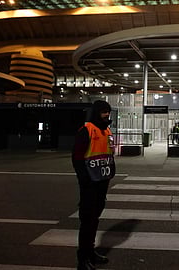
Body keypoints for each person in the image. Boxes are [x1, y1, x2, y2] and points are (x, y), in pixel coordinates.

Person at [72, 100, 116, 270]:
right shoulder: (86, 130)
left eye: (108, 112)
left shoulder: (107, 131)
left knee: (94, 219)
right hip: (89, 184)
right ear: (96, 112)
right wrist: (85, 179)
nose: (107, 115)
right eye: (104, 112)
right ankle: (82, 259)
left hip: (101, 183)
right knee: (87, 220)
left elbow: (107, 154)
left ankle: (90, 252)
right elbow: (77, 158)